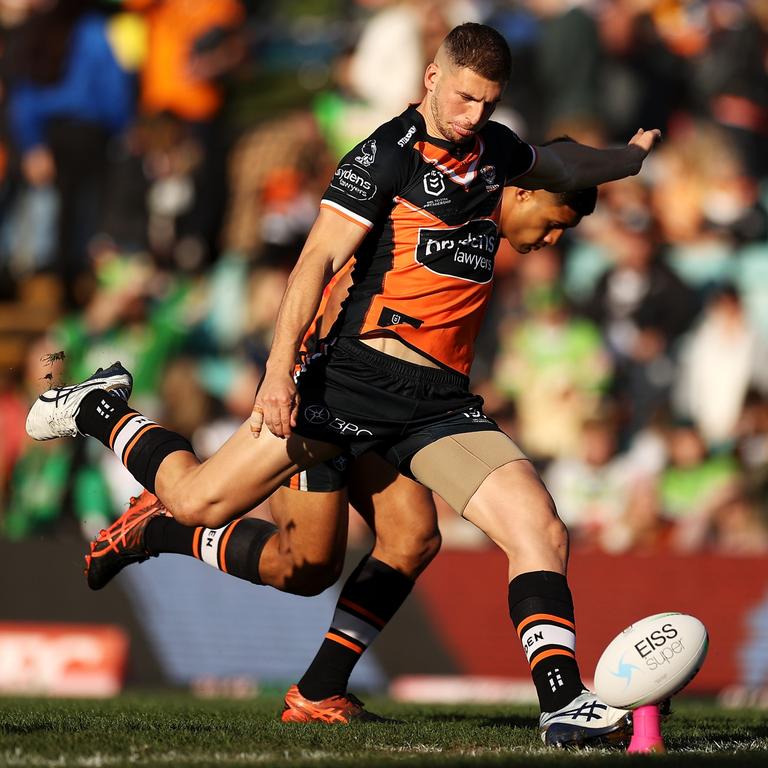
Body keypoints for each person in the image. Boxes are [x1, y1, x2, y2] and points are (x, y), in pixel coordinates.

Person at [27, 23, 661, 747]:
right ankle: (102, 407)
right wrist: (275, 373)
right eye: (462, 99)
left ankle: (561, 704)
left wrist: (630, 159)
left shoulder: (497, 155)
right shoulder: (382, 157)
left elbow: (564, 161)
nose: (471, 118)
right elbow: (314, 262)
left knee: (527, 527)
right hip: (348, 383)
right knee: (206, 505)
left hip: (438, 406)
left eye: (486, 104)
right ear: (430, 77)